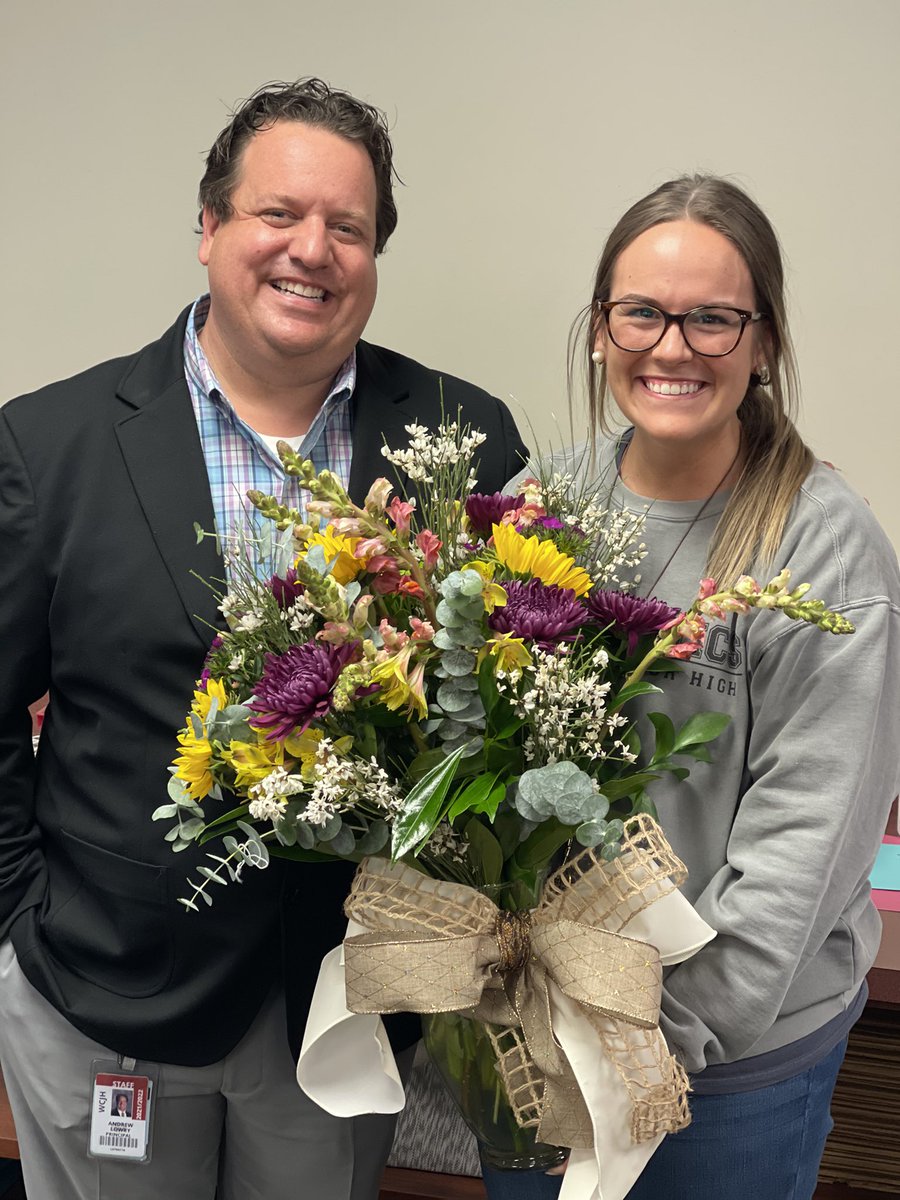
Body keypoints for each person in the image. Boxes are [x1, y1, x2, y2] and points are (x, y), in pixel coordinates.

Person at [0, 78, 527, 1200]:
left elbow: (501, 714)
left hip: (342, 1004)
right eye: (277, 214)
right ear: (208, 227)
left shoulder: (464, 439)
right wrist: (17, 918)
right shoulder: (49, 446)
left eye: (349, 227)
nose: (312, 250)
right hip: (103, 986)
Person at [486, 174, 900, 1200]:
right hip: (541, 1032)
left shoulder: (819, 548)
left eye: (713, 319)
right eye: (642, 313)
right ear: (600, 329)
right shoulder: (544, 504)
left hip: (727, 1068)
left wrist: (647, 1048)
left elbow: (802, 848)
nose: (672, 348)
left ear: (763, 343)